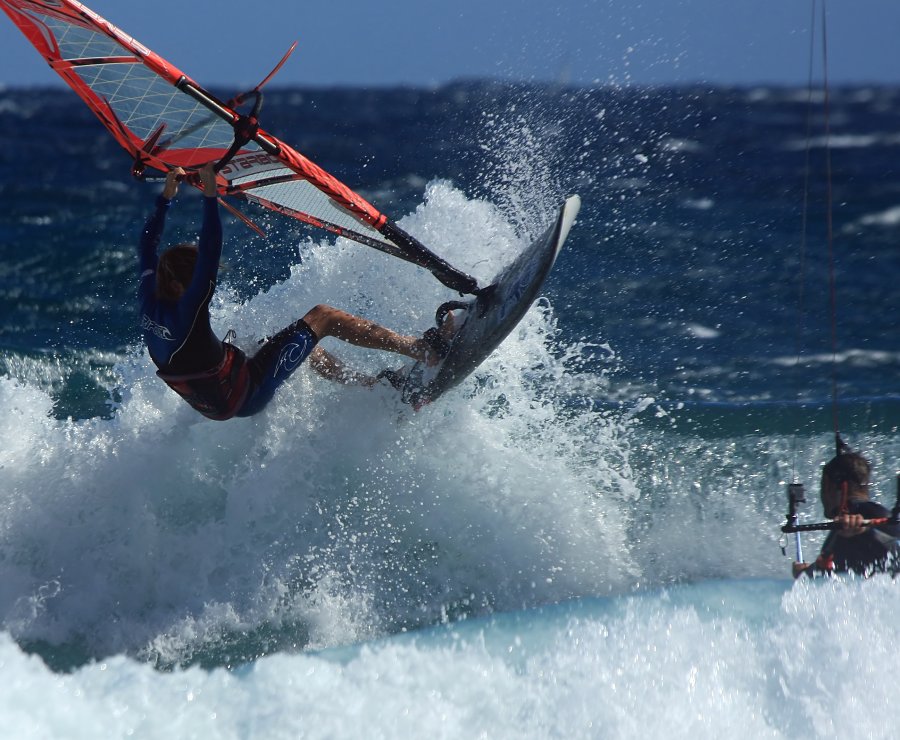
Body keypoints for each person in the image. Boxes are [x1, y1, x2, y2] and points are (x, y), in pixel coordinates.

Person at [139, 164, 443, 420]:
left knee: (291, 338)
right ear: (181, 284)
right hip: (246, 392)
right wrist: (209, 196)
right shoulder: (189, 307)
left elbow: (146, 248)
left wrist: (165, 198)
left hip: (217, 399)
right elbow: (209, 250)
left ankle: (371, 389)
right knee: (322, 317)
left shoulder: (149, 299)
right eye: (196, 279)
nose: (204, 281)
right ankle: (420, 349)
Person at [793, 441, 900, 577]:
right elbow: (833, 566)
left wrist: (866, 531)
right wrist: (806, 571)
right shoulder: (878, 512)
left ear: (827, 485)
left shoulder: (853, 520)